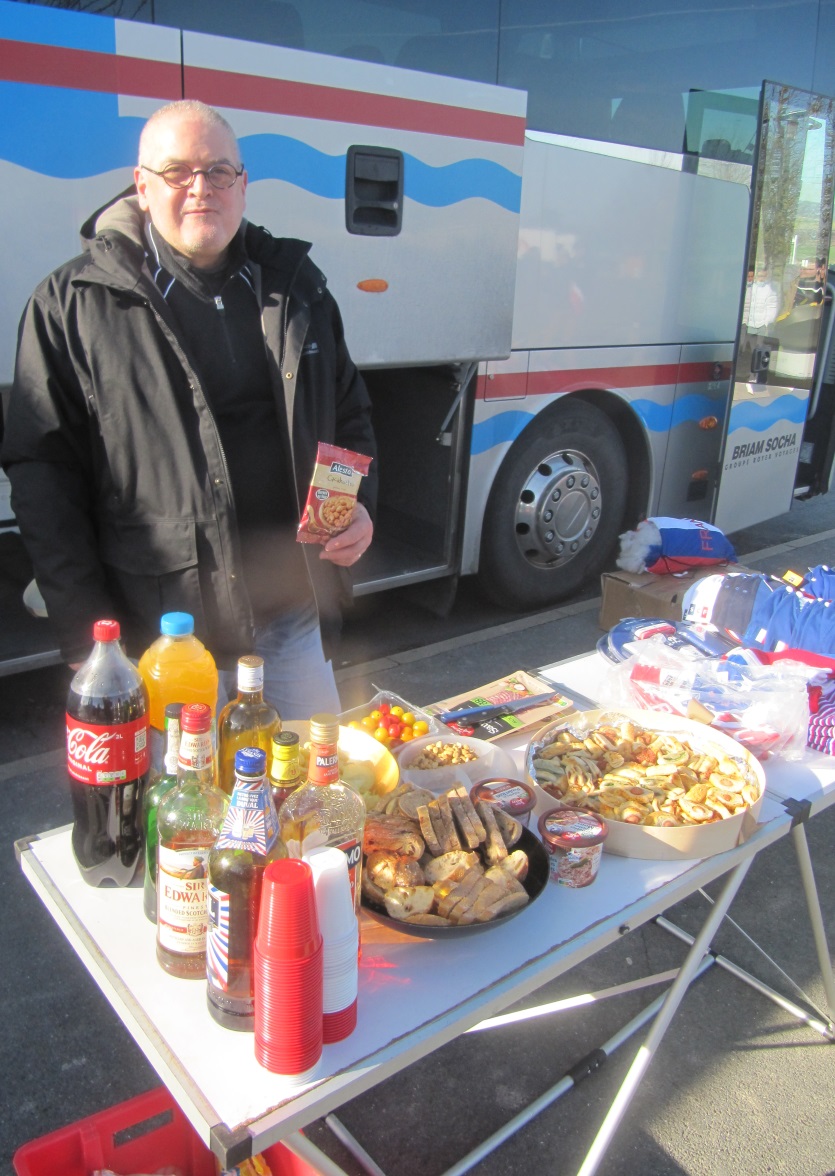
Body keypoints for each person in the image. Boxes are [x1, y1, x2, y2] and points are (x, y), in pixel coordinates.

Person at [1, 100, 376, 718]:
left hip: (294, 618)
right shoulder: (73, 305)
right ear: (143, 186)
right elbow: (44, 475)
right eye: (178, 171)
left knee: (318, 775)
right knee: (187, 785)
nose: (202, 188)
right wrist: (84, 628)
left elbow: (349, 411)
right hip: (166, 637)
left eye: (219, 172)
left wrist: (358, 506)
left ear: (243, 185)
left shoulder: (297, 285)